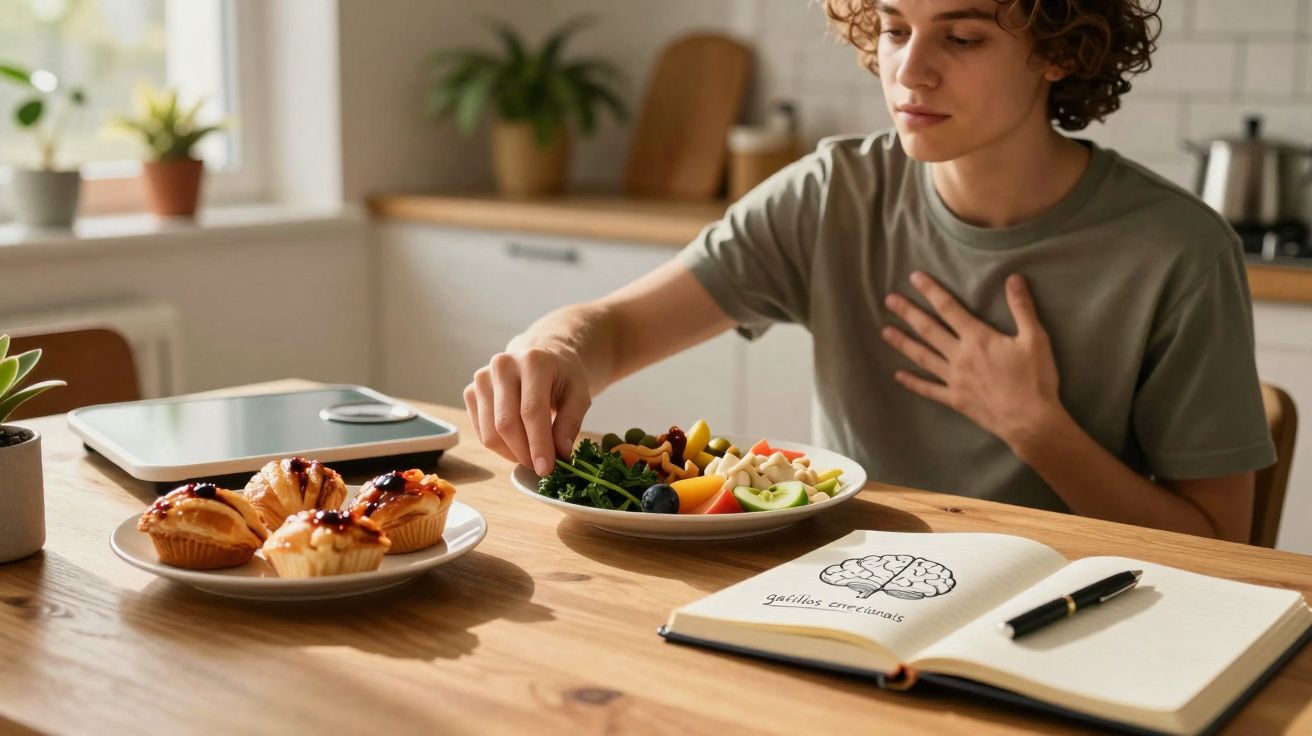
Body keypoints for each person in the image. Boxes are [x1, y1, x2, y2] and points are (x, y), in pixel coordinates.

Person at [463, 0, 1276, 542]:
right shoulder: (833, 194)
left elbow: (1219, 545)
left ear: (1059, 52)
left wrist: (1038, 428)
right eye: (893, 28)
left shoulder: (1178, 250)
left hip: (1071, 621)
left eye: (962, 38)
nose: (910, 71)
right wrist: (557, 350)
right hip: (847, 599)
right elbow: (616, 327)